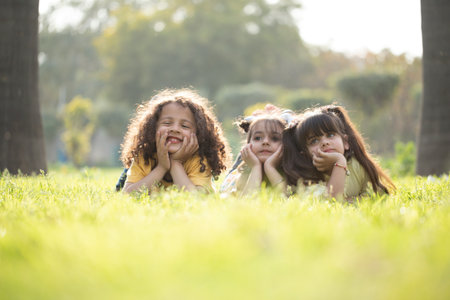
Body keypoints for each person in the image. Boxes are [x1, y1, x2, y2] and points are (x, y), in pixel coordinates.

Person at [119, 88, 230, 194]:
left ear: (198, 134)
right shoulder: (144, 156)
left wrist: (175, 163)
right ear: (153, 128)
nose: (175, 129)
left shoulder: (199, 161)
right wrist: (161, 167)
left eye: (185, 126)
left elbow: (196, 200)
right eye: (167, 123)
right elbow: (127, 196)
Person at [282, 104, 395, 200]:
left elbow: (378, 196)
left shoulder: (358, 166)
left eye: (330, 135)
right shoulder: (307, 178)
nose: (324, 142)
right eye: (314, 141)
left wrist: (353, 201)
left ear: (345, 142)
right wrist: (339, 161)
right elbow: (333, 202)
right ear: (305, 153)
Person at [220, 105, 292, 195]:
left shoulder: (292, 173)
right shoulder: (240, 176)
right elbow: (247, 202)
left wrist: (270, 167)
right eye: (258, 138)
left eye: (275, 138)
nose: (265, 142)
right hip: (242, 168)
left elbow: (286, 199)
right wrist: (255, 167)